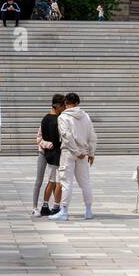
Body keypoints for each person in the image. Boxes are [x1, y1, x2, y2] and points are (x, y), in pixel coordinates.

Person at [48, 92, 97, 220]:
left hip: (69, 153)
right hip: (84, 152)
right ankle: (88, 210)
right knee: (85, 182)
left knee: (66, 182)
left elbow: (66, 136)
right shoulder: (85, 116)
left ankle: (64, 211)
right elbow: (92, 135)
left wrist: (76, 152)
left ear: (65, 103)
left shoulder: (63, 117)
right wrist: (91, 153)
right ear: (77, 103)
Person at [32, 94, 65, 217]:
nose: (65, 107)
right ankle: (35, 207)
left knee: (52, 180)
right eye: (63, 105)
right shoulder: (47, 119)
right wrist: (47, 144)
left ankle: (47, 205)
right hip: (44, 152)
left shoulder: (60, 118)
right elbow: (39, 137)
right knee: (40, 180)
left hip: (53, 153)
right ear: (57, 105)